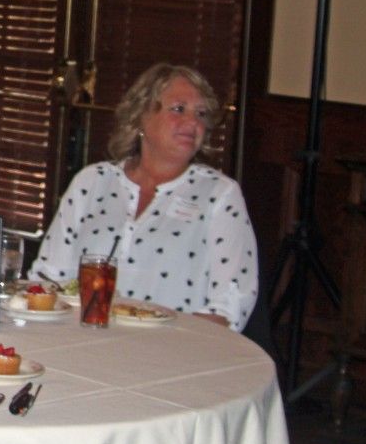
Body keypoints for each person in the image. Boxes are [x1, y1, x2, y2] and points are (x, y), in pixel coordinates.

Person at [31, 63, 258, 331]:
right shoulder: (92, 181)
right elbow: (48, 279)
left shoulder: (219, 194)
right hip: (84, 341)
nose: (193, 122)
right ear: (140, 116)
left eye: (201, 114)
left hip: (172, 354)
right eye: (178, 109)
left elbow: (230, 306)